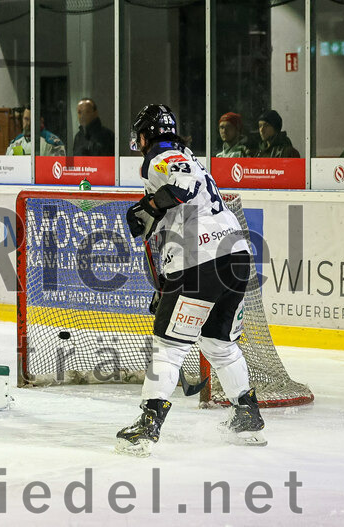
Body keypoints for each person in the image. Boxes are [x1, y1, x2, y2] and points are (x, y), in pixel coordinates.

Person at [119, 104, 265, 456]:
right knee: (219, 343)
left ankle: (148, 423)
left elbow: (181, 186)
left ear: (145, 135)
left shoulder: (161, 156)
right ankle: (248, 416)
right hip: (237, 256)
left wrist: (150, 205)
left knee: (169, 346)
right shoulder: (187, 155)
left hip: (202, 260)